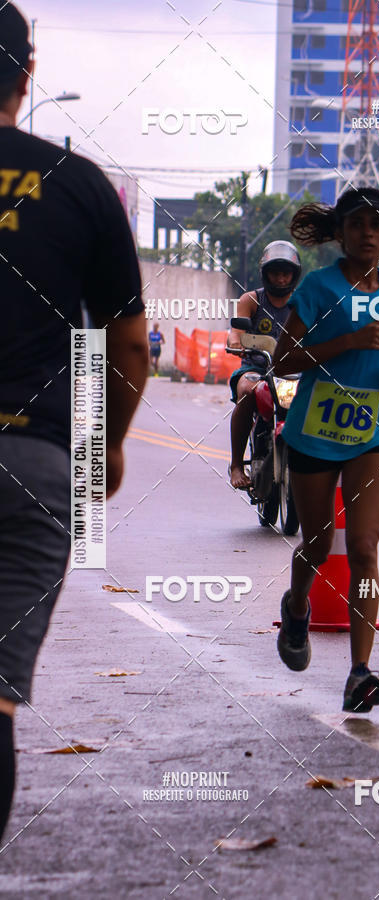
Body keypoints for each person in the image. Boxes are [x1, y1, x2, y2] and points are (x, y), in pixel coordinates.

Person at [0, 2, 148, 841]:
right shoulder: (79, 185)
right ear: (25, 76)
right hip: (33, 466)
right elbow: (129, 344)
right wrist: (113, 445)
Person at [272, 187, 379, 713]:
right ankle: (296, 606)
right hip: (313, 432)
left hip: (370, 435)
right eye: (358, 223)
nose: (369, 233)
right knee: (316, 541)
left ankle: (360, 673)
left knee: (363, 548)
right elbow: (284, 362)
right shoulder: (317, 286)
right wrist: (346, 344)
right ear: (341, 231)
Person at [227, 240, 301, 489]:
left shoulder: (302, 302)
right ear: (265, 274)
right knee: (248, 394)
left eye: (286, 273)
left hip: (292, 372)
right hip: (256, 369)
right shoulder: (252, 299)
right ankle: (236, 464)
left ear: (294, 275)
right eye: (275, 273)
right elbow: (236, 331)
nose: (281, 279)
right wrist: (236, 342)